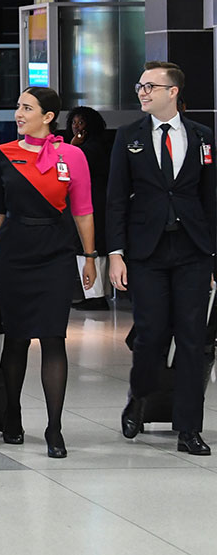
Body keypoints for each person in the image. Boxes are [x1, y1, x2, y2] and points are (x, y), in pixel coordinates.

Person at [109, 62, 216, 456]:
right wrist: (115, 254)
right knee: (151, 335)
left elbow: (211, 199)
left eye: (151, 86)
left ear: (173, 92)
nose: (143, 92)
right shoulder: (129, 137)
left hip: (191, 250)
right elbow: (116, 198)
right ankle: (139, 398)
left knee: (192, 341)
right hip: (146, 250)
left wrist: (212, 258)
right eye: (140, 85)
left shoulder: (202, 137)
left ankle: (189, 428)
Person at [0, 87, 96, 458]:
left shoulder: (73, 156)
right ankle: (11, 414)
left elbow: (82, 210)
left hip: (56, 253)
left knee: (53, 338)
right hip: (14, 254)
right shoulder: (4, 154)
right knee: (14, 339)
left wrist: (90, 257)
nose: (18, 112)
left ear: (48, 116)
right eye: (17, 106)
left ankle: (54, 428)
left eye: (26, 107)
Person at [67, 106, 111, 310]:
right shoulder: (98, 145)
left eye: (81, 122)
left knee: (88, 246)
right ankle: (96, 294)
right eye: (74, 122)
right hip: (96, 202)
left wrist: (73, 146)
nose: (76, 126)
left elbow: (69, 166)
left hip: (91, 203)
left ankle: (95, 295)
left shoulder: (89, 148)